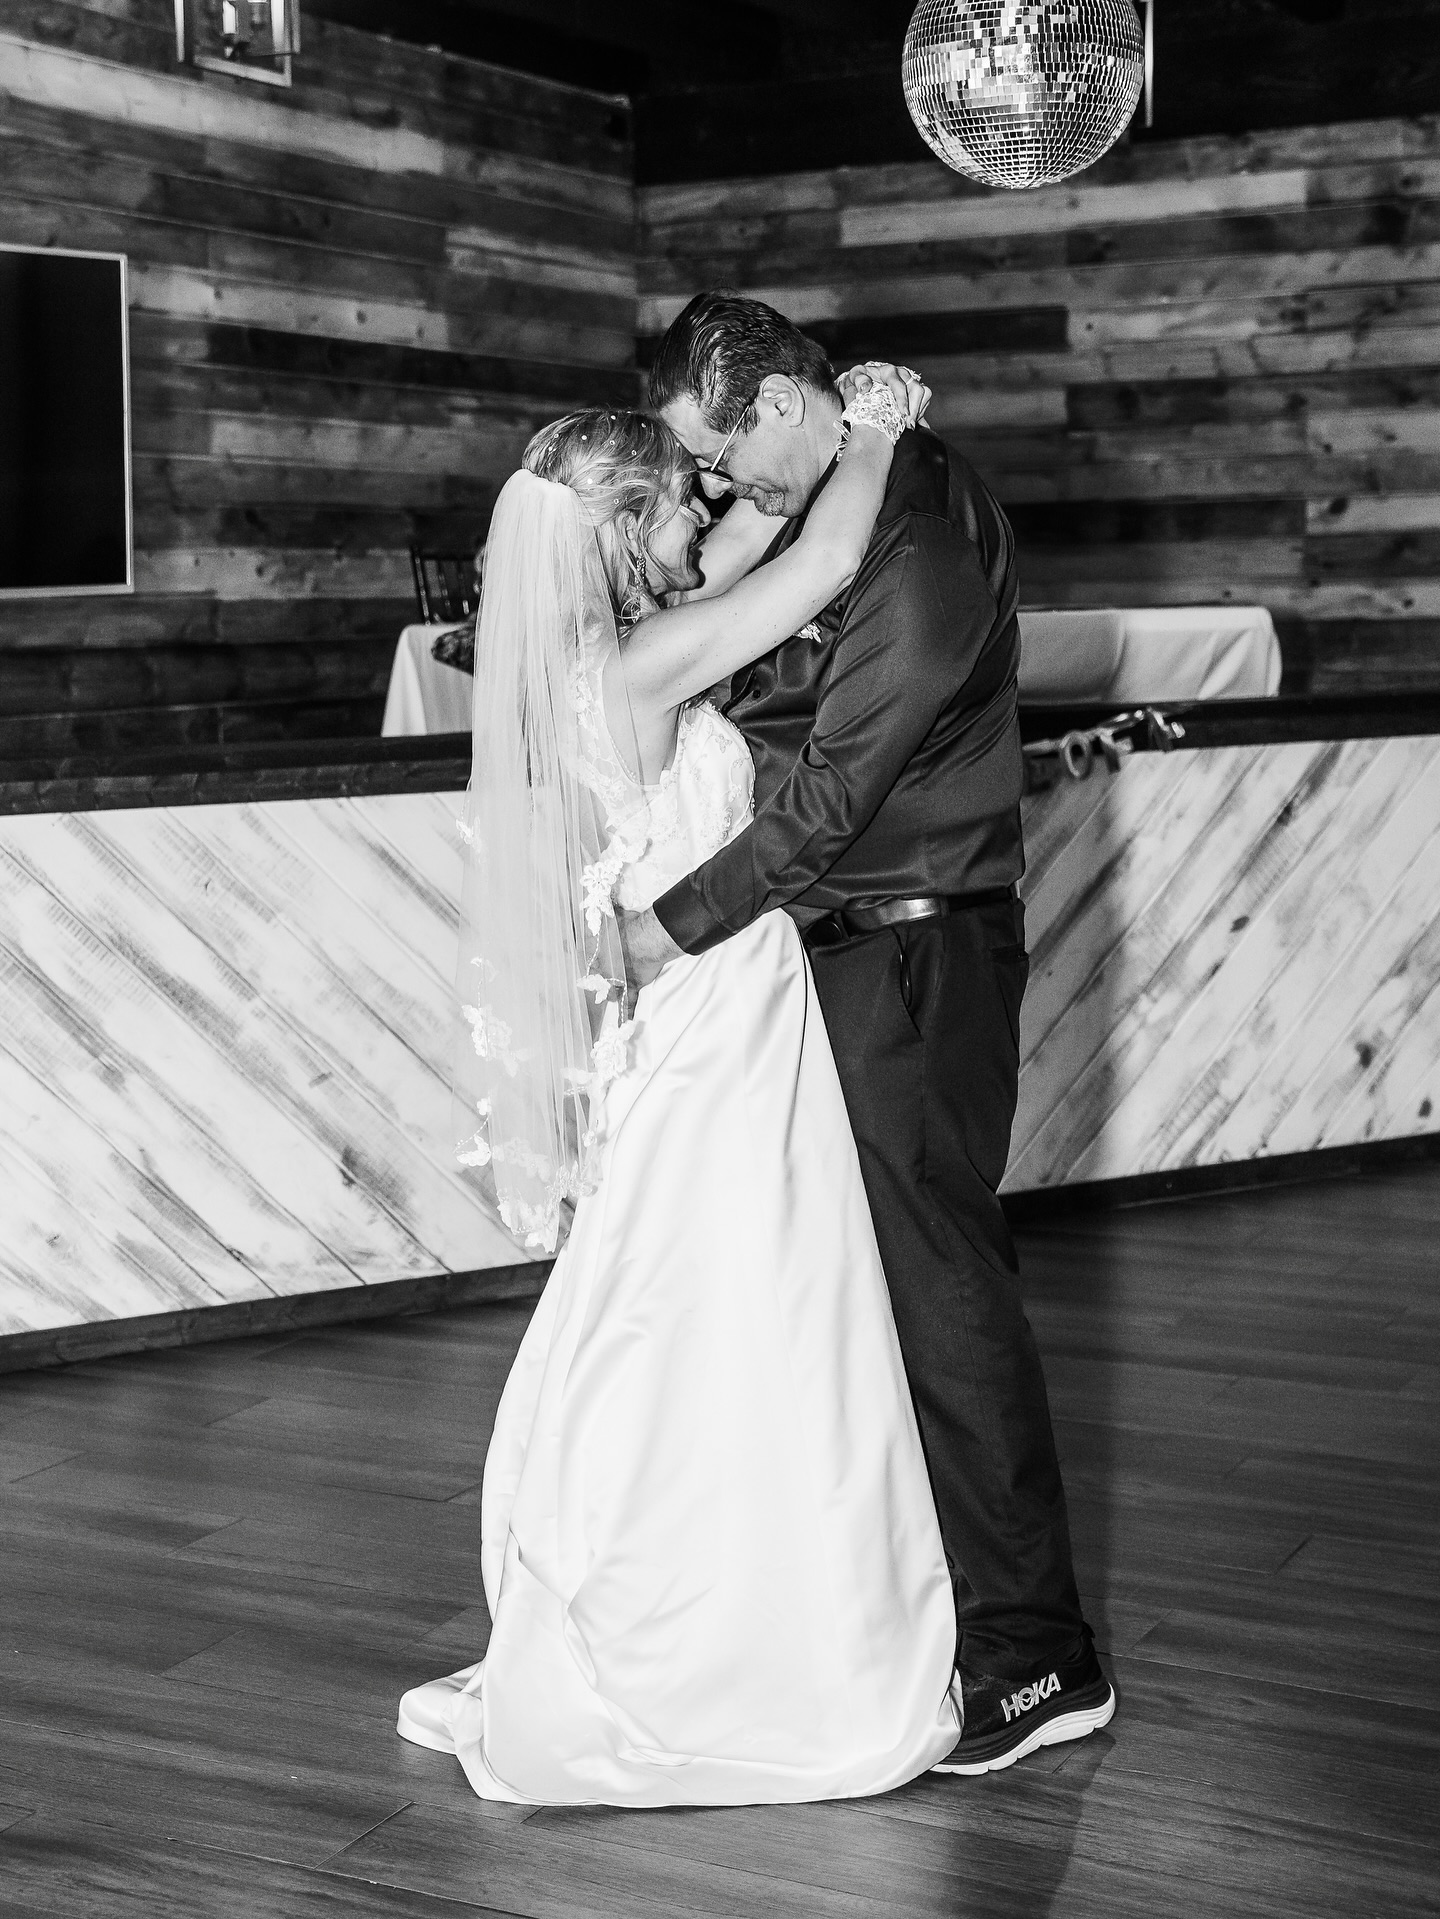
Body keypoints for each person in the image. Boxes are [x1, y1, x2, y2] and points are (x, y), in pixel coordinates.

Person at [397, 367, 965, 1806]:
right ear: (624, 529)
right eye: (681, 500)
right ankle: (731, 1641)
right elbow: (826, 554)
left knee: (690, 1293)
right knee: (745, 1304)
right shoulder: (642, 671)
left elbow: (736, 558)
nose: (709, 511)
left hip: (704, 1012)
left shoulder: (608, 652)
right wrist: (882, 431)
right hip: (717, 1021)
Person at [623, 291, 1115, 1776]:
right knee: (878, 1302)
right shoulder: (848, 490)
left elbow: (836, 803)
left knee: (944, 1293)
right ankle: (937, 1614)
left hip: (916, 957)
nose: (726, 488)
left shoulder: (916, 540)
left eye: (730, 453)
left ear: (781, 401)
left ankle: (1037, 1658)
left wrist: (655, 933)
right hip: (849, 954)